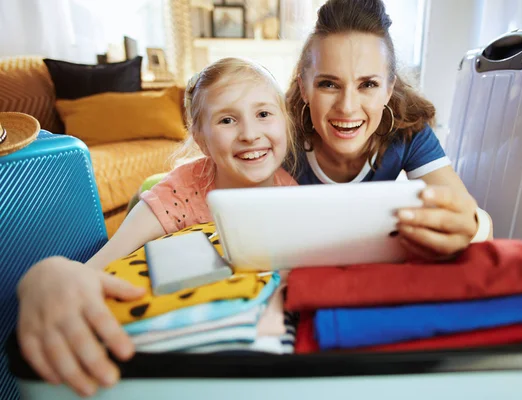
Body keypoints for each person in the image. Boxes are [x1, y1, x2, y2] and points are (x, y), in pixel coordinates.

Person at [15, 57, 298, 397]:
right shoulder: (179, 193)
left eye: (264, 114)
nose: (250, 134)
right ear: (201, 138)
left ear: (285, 122)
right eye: (227, 119)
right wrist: (46, 274)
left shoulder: (291, 194)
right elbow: (101, 263)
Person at [285, 0, 493, 261]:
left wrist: (472, 225)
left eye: (368, 84)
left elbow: (478, 224)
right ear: (304, 88)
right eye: (328, 84)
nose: (347, 107)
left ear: (389, 89)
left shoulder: (408, 130)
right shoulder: (278, 133)